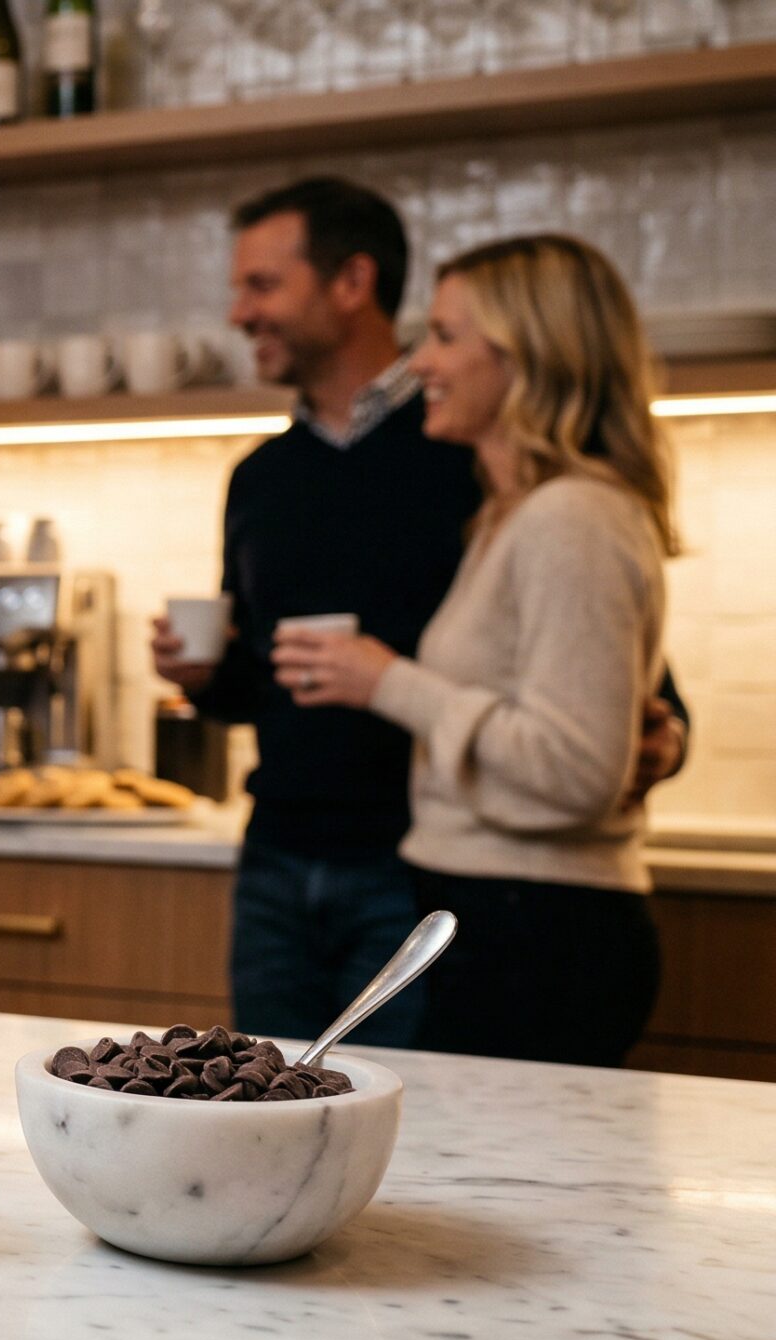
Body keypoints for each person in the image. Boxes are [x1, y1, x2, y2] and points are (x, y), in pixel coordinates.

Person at [151, 177, 686, 1047]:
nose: (237, 312)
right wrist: (207, 679)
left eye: (261, 284)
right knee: (275, 1127)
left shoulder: (477, 461)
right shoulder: (262, 480)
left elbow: (621, 689)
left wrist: (654, 738)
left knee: (410, 1148)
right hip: (282, 856)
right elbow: (270, 684)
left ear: (351, 283)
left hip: (422, 870)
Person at [272, 234, 675, 1068]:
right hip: (501, 912)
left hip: (540, 928)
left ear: (529, 356)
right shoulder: (511, 514)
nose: (420, 363)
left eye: (447, 337)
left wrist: (389, 682)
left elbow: (575, 768)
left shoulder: (572, 518)